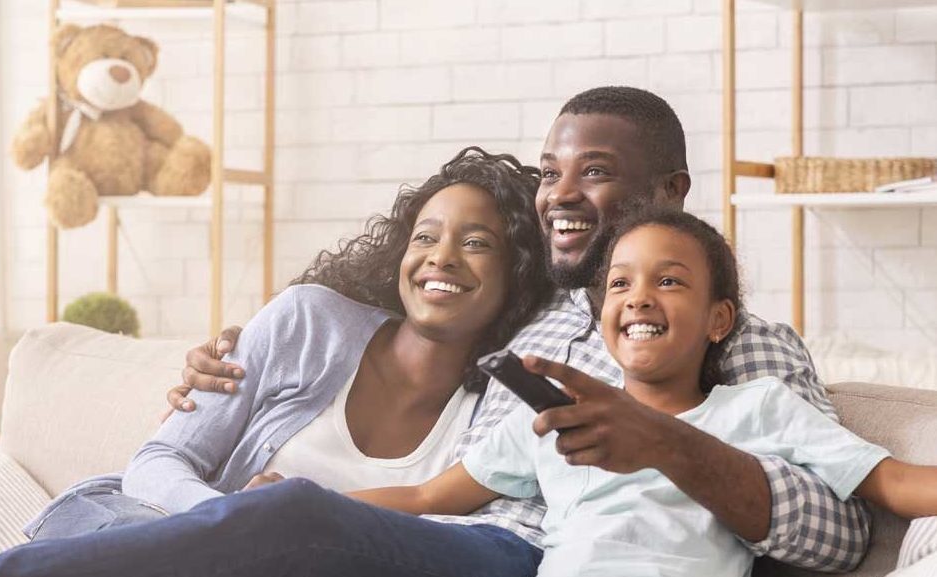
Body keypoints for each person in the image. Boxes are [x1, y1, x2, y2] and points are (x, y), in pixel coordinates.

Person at [174, 86, 873, 571]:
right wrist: (245, 351)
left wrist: (665, 441)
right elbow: (416, 302)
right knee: (143, 512)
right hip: (422, 534)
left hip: (526, 554)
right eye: (549, 173)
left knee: (282, 530)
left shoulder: (740, 342)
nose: (560, 194)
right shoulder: (526, 311)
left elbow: (841, 532)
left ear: (671, 191)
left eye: (594, 172)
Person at [0, 147, 552, 577]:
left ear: (516, 269)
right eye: (425, 236)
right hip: (131, 525)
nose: (441, 258)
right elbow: (159, 459)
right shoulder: (309, 322)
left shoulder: (493, 412)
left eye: (476, 242)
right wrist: (235, 512)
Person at [346, 208, 937, 577]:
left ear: (719, 320)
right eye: (619, 283)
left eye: (670, 281)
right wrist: (311, 495)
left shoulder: (760, 407)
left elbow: (895, 483)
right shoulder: (556, 418)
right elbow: (426, 497)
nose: (638, 296)